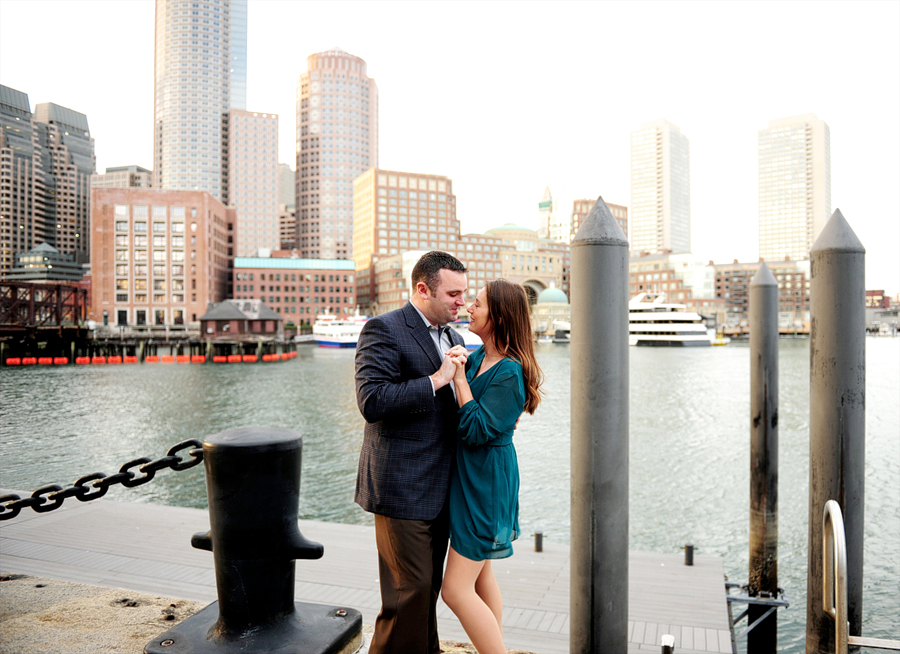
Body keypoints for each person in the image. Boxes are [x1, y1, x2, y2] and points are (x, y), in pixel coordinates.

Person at [354, 250, 471, 654]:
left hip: (440, 486)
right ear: (423, 289)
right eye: (453, 294)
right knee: (410, 589)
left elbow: (451, 409)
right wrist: (439, 378)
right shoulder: (383, 329)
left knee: (427, 589)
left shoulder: (453, 337)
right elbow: (372, 401)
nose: (461, 302)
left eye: (464, 293)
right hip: (400, 485)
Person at [441, 279, 543, 654]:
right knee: (482, 578)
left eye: (478, 304)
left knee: (454, 589)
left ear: (498, 317)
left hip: (486, 483)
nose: (469, 307)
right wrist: (463, 370)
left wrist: (458, 379)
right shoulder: (481, 357)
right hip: (471, 478)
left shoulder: (510, 372)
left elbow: (476, 429)